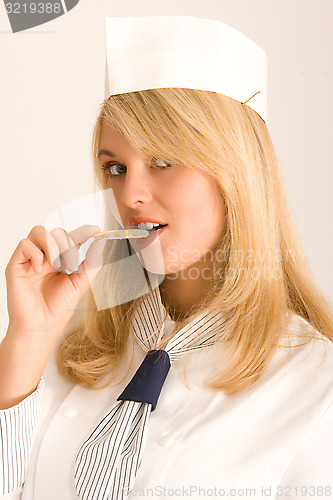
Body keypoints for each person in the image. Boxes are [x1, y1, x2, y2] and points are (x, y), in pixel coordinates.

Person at [1, 15, 333, 500]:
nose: (130, 193)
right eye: (115, 167)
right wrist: (27, 338)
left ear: (237, 172)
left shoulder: (316, 388)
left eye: (163, 161)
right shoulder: (67, 348)